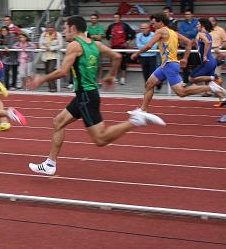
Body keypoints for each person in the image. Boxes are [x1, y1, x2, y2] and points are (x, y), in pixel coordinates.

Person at [27, 16, 166, 176]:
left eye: (65, 29)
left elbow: (63, 71)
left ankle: (135, 121)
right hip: (85, 95)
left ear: (73, 28)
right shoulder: (96, 44)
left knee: (100, 139)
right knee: (58, 122)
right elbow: (117, 56)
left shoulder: (74, 45)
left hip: (86, 97)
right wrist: (111, 75)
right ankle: (50, 163)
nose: (64, 32)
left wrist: (41, 78)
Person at [129, 13, 226, 112]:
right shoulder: (173, 32)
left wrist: (137, 53)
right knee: (149, 84)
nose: (152, 25)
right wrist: (185, 58)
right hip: (166, 65)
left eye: (153, 23)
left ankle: (209, 88)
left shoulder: (160, 31)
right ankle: (142, 110)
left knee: (181, 93)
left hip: (170, 65)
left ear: (160, 23)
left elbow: (149, 45)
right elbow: (188, 42)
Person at [105, 14, 135, 85]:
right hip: (114, 48)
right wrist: (110, 42)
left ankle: (123, 78)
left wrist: (127, 42)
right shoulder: (111, 26)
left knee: (123, 63)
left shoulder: (125, 25)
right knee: (113, 63)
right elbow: (107, 35)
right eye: (114, 17)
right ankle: (113, 77)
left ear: (120, 18)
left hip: (122, 48)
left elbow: (133, 34)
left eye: (117, 17)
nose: (115, 19)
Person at [39, 23, 63, 92]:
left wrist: (51, 48)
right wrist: (45, 48)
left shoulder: (58, 35)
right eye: (48, 27)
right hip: (45, 56)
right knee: (47, 72)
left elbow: (60, 45)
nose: (50, 29)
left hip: (54, 56)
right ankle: (50, 87)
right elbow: (40, 44)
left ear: (54, 28)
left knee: (51, 70)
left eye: (51, 27)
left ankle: (53, 87)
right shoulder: (43, 35)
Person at [135, 22, 159, 88]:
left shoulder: (154, 35)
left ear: (148, 28)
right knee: (145, 74)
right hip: (143, 57)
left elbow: (155, 46)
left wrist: (145, 47)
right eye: (141, 28)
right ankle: (148, 87)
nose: (142, 29)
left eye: (144, 28)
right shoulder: (138, 35)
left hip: (152, 56)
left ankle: (158, 84)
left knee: (153, 74)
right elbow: (139, 46)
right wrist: (148, 46)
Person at [0, 26, 18, 91]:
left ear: (8, 31)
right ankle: (6, 86)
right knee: (5, 71)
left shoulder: (12, 36)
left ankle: (13, 85)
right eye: (2, 30)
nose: (4, 32)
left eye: (5, 30)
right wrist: (4, 47)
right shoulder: (0, 37)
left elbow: (11, 45)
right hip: (4, 57)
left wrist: (6, 47)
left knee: (14, 71)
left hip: (13, 56)